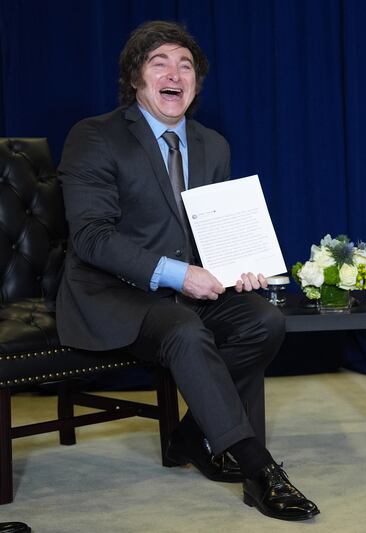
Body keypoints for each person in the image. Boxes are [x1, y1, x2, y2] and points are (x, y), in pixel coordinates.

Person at [57, 20, 319, 521]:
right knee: (183, 328)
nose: (175, 73)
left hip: (183, 293)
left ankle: (189, 438)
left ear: (196, 83)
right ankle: (259, 468)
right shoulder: (94, 136)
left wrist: (238, 268)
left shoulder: (211, 145)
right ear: (135, 77)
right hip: (111, 293)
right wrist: (181, 275)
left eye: (186, 66)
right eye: (159, 63)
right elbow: (91, 237)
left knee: (263, 320)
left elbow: (209, 233)